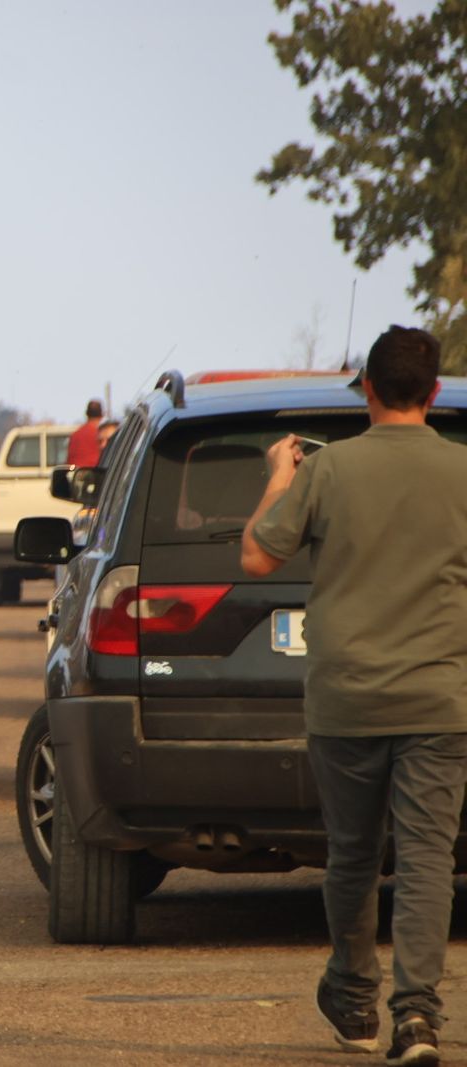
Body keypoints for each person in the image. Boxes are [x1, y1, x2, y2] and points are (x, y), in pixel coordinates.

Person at [242, 326, 467, 1066]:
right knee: (429, 858)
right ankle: (418, 1018)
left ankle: (353, 993)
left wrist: (280, 474)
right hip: (440, 699)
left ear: (366, 388)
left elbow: (258, 551)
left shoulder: (328, 471)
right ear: (433, 393)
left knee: (353, 854)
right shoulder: (461, 470)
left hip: (346, 699)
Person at [65, 399, 104, 466]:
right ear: (102, 415)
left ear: (86, 414)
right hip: (96, 474)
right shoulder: (102, 436)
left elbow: (69, 461)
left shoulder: (75, 436)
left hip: (75, 474)